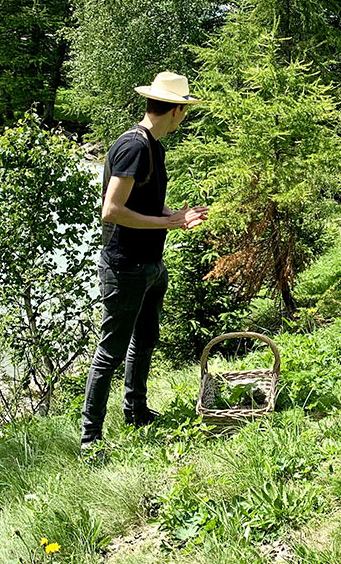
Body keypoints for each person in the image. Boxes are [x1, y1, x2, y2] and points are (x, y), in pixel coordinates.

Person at [80, 71, 208, 452]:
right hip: (125, 265)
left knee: (146, 339)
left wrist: (175, 215)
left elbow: (145, 205)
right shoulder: (135, 146)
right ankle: (91, 438)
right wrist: (167, 222)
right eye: (184, 110)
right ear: (177, 111)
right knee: (111, 352)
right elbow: (112, 210)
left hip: (150, 263)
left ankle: (136, 411)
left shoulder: (153, 145)